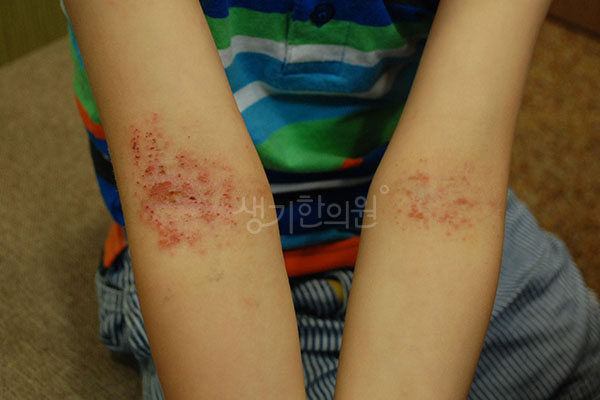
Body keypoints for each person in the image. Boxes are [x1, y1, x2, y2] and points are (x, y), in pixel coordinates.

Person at [62, 0, 600, 398]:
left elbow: (448, 190)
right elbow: (193, 203)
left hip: (427, 218)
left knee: (573, 350)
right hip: (227, 278)